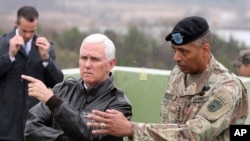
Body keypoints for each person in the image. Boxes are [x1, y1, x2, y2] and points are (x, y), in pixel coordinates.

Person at [86, 16, 249, 140]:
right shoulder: (178, 74)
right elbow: (168, 124)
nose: (176, 58)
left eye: (184, 51)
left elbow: (196, 134)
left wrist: (132, 129)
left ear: (205, 50)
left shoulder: (227, 86)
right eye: (174, 50)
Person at [21, 33, 132, 141]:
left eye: (94, 59)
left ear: (111, 64)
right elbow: (31, 129)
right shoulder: (63, 90)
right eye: (84, 58)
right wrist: (61, 138)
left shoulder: (118, 104)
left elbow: (90, 135)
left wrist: (53, 101)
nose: (87, 65)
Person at [0, 5, 63, 141]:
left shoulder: (46, 47)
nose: (28, 35)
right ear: (16, 24)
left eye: (32, 31)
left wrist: (46, 59)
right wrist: (9, 56)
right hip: (6, 124)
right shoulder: (2, 44)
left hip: (36, 123)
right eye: (24, 31)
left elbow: (57, 82)